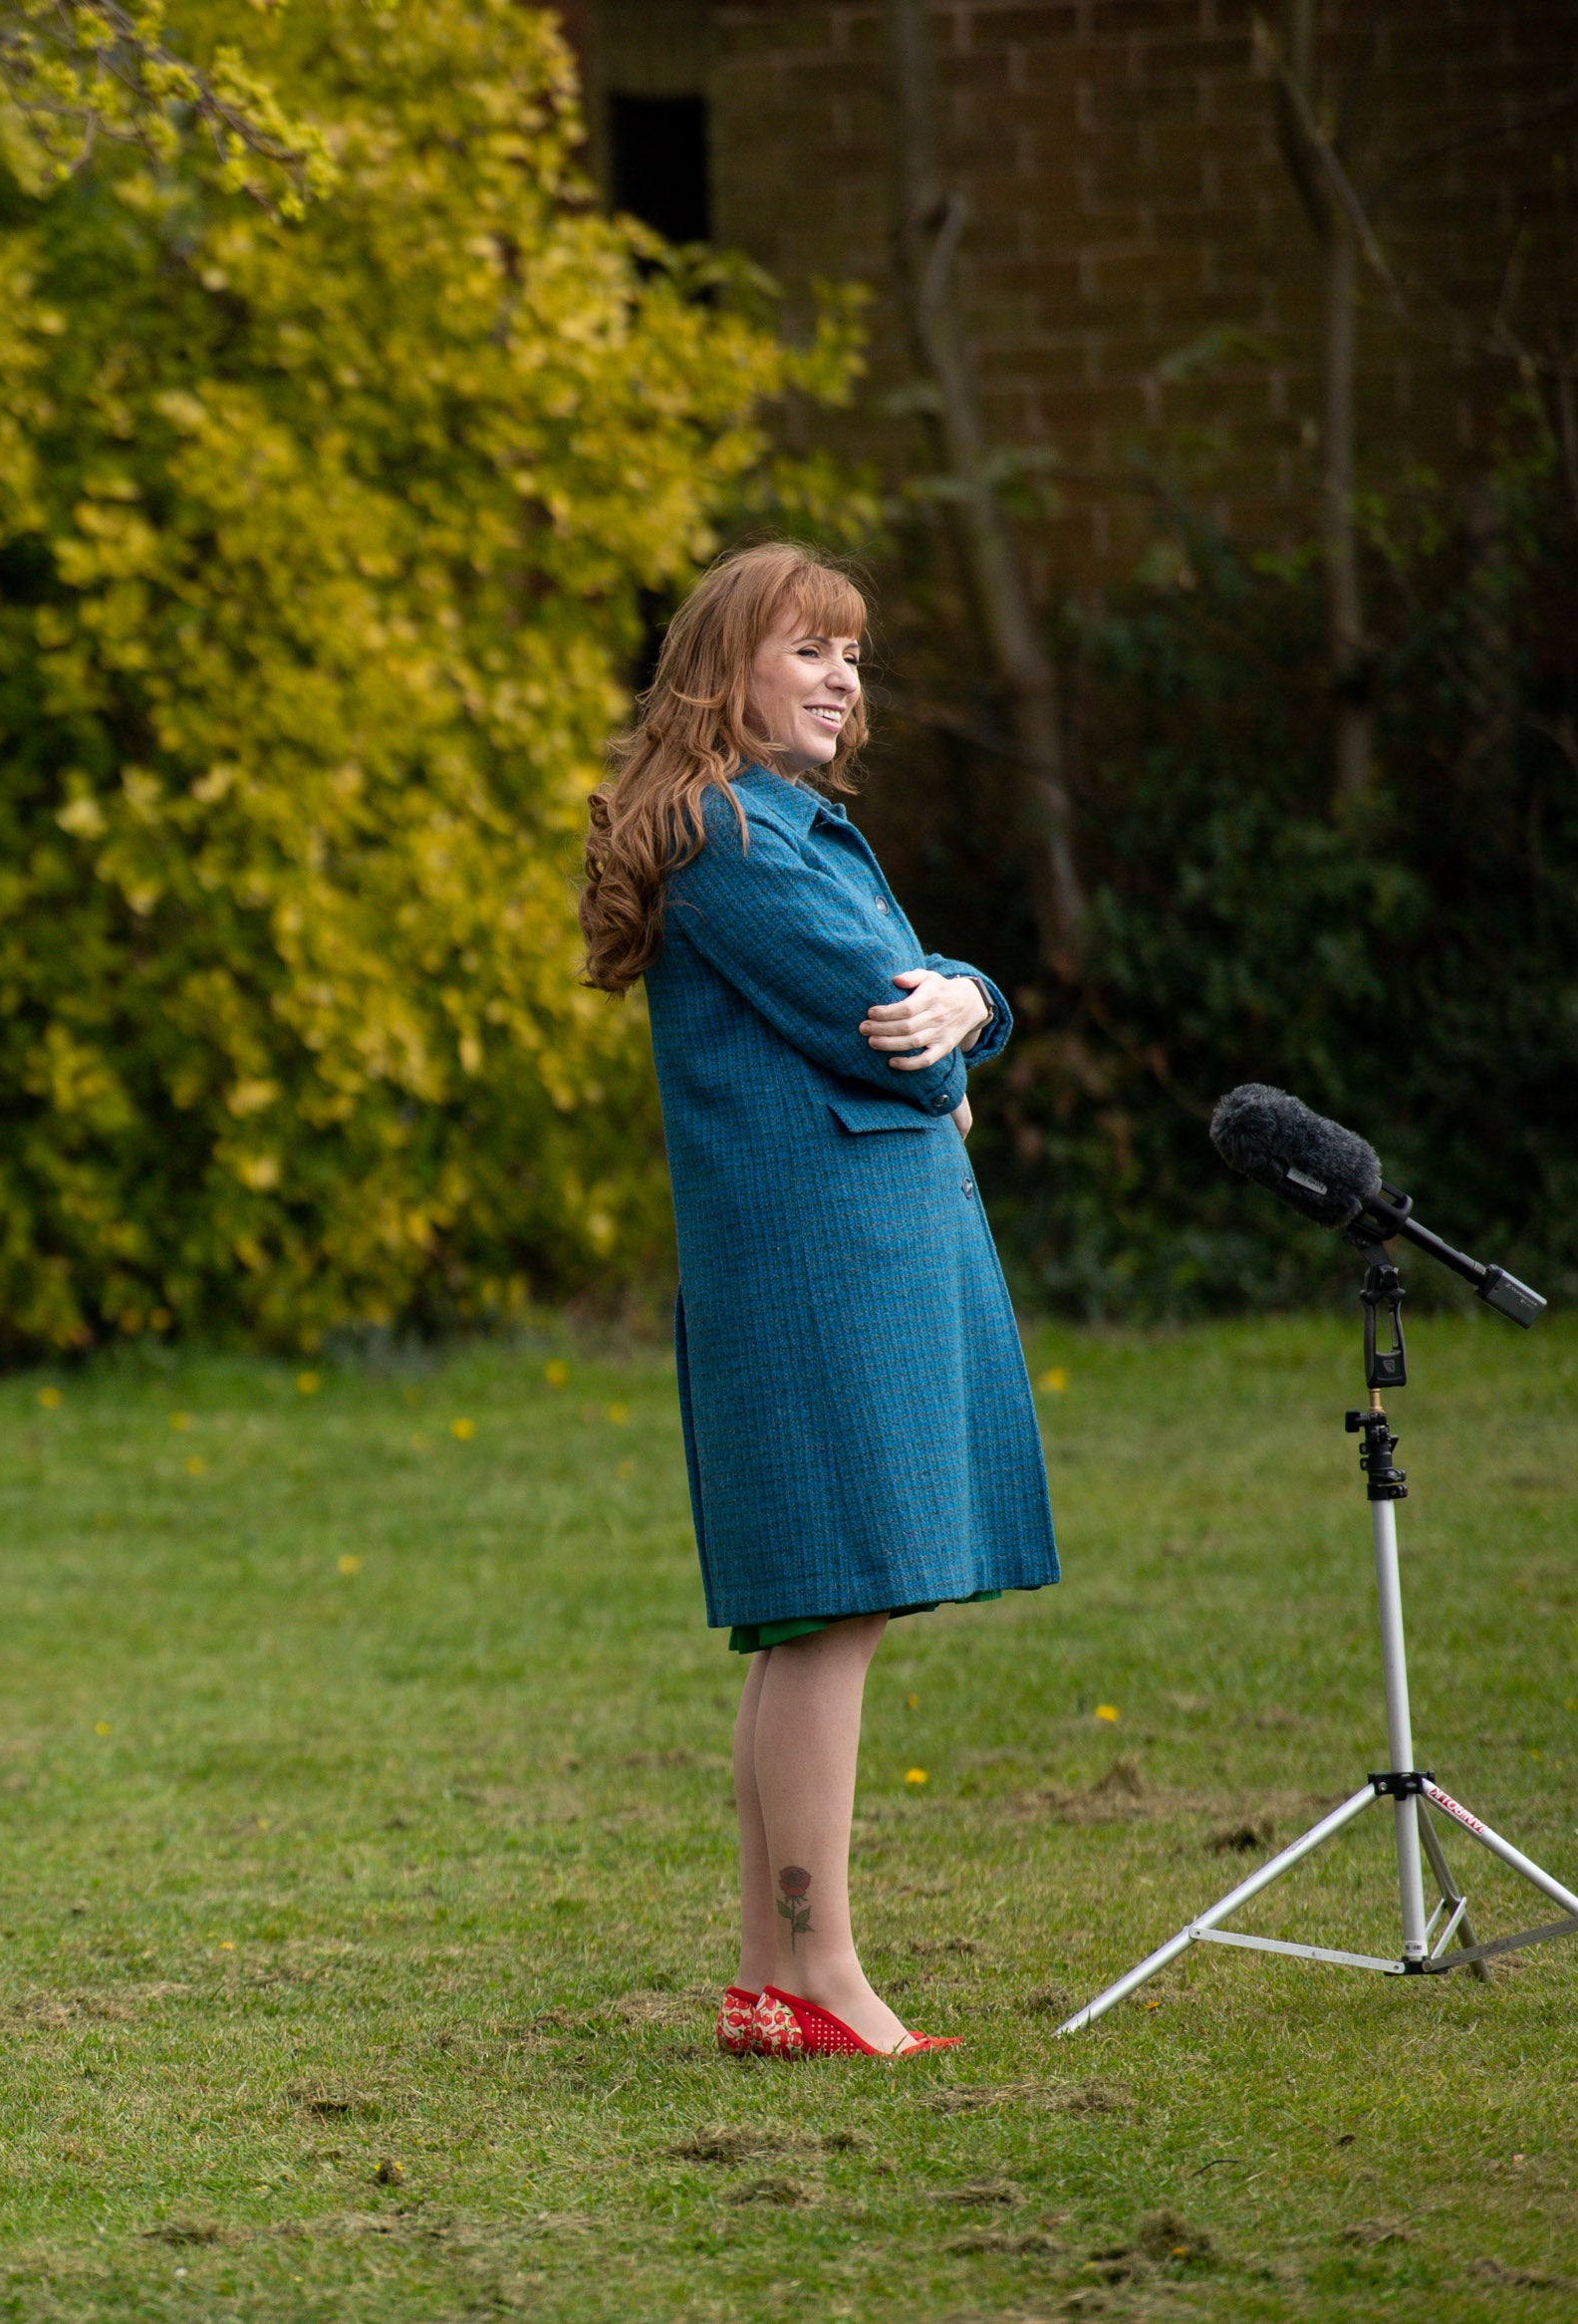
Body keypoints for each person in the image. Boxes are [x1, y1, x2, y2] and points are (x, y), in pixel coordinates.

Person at [579, 542, 1057, 2060]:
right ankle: (824, 1974)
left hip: (838, 1256)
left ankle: (770, 1980)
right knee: (828, 1613)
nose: (845, 678)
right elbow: (885, 1020)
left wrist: (972, 993)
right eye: (809, 651)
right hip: (817, 1272)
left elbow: (928, 1000)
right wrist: (956, 1023)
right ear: (730, 674)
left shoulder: (789, 826)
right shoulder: (731, 831)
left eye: (853, 655)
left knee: (820, 1619)